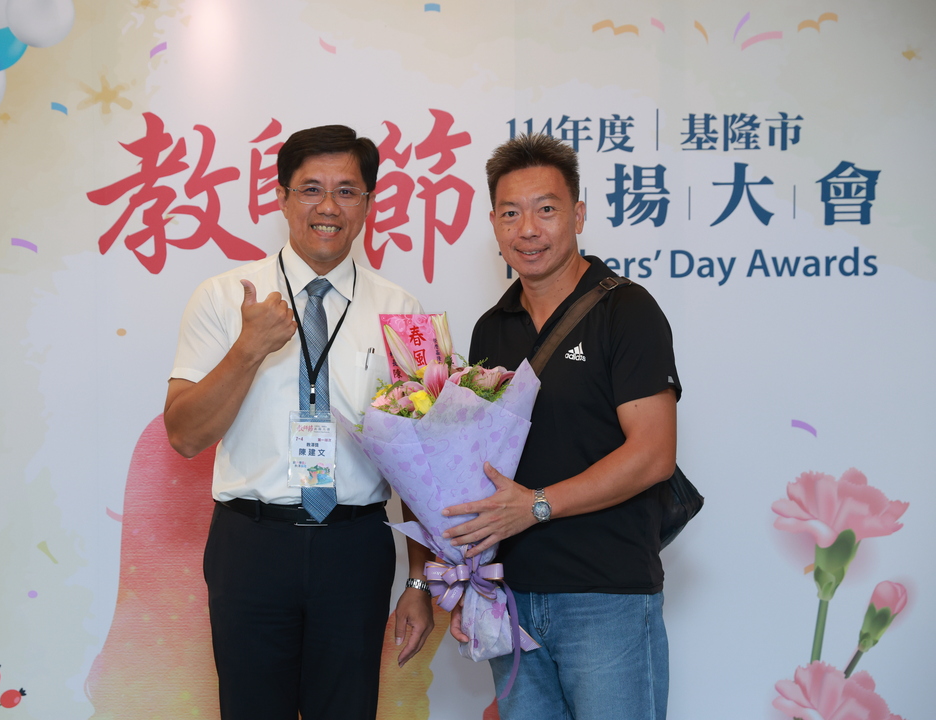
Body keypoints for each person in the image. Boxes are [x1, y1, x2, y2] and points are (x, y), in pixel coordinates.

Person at [164, 125, 435, 720]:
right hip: (251, 545)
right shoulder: (223, 297)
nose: (328, 207)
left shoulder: (404, 313)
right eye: (311, 189)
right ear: (282, 198)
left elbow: (423, 463)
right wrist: (248, 348)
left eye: (347, 190)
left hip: (355, 546)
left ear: (368, 203)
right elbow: (184, 435)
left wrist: (419, 582)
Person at [442, 133, 681, 720]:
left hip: (605, 595)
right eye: (510, 213)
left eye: (545, 209)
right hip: (511, 596)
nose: (528, 229)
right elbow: (477, 462)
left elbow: (654, 453)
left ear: (577, 214)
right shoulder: (491, 328)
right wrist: (466, 579)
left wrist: (536, 506)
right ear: (493, 224)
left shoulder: (627, 311)